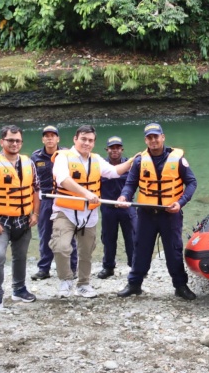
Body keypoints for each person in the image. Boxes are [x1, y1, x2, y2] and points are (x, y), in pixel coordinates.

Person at [116, 122, 198, 300]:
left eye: (156, 136)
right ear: (146, 140)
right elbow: (130, 185)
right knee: (141, 249)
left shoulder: (177, 160)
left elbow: (192, 182)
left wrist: (180, 202)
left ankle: (180, 286)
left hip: (170, 214)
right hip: (146, 214)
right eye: (149, 137)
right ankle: (134, 284)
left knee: (174, 250)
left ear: (163, 137)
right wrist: (124, 197)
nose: (153, 140)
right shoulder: (139, 161)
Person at [50, 125, 134, 298]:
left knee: (86, 251)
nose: (86, 143)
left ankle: (83, 284)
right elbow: (63, 179)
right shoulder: (63, 157)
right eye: (83, 139)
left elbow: (114, 172)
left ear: (94, 143)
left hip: (88, 214)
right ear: (75, 139)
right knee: (61, 247)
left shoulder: (96, 160)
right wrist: (87, 193)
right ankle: (66, 280)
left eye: (90, 140)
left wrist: (133, 160)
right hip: (65, 211)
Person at [0, 125, 41, 310]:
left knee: (20, 256)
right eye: (10, 140)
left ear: (21, 142)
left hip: (23, 219)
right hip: (0, 221)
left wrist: (36, 213)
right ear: (2, 141)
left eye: (17, 140)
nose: (14, 143)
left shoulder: (28, 162)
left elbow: (36, 189)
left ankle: (19, 289)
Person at [30, 125, 78, 281]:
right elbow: (32, 182)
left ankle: (72, 267)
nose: (50, 138)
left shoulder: (66, 155)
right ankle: (44, 268)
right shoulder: (35, 157)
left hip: (64, 199)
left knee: (68, 233)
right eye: (46, 136)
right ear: (43, 139)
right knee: (45, 235)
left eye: (53, 135)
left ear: (58, 138)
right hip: (45, 200)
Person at [97, 136, 137, 279]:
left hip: (127, 207)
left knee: (132, 238)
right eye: (112, 148)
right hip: (108, 208)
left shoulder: (130, 164)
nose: (115, 150)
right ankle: (108, 267)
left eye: (117, 147)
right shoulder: (100, 165)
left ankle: (134, 267)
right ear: (107, 149)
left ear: (122, 149)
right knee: (108, 238)